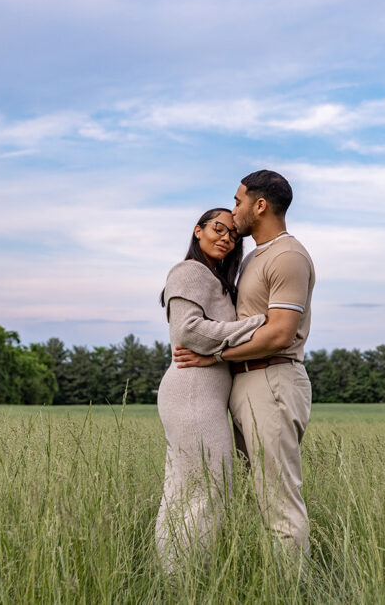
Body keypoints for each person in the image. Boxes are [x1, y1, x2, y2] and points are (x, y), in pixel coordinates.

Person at [174, 169, 315, 557]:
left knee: (278, 501)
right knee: (250, 495)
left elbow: (279, 333)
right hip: (247, 383)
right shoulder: (255, 256)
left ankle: (287, 594)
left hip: (271, 379)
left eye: (237, 202)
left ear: (260, 205)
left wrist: (215, 355)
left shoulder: (287, 256)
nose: (234, 211)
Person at [154, 207, 290, 571]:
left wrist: (220, 351)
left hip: (204, 393)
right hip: (191, 391)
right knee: (211, 487)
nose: (227, 238)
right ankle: (187, 576)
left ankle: (176, 576)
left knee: (187, 490)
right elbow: (187, 331)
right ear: (197, 230)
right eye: (218, 228)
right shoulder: (189, 271)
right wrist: (255, 325)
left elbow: (204, 334)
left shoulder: (214, 279)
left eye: (233, 234)